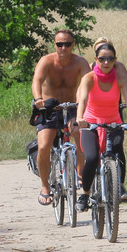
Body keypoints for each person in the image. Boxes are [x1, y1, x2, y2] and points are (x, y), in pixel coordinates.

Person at [74, 41, 127, 212]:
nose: (106, 62)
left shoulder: (121, 78)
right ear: (96, 59)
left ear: (115, 60)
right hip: (91, 122)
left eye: (110, 59)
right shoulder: (89, 78)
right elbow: (82, 100)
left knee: (118, 147)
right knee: (91, 157)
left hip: (113, 121)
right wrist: (80, 117)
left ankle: (120, 186)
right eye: (102, 59)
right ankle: (85, 194)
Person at [31, 29, 91, 205]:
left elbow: (89, 81)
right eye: (59, 44)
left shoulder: (80, 62)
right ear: (54, 45)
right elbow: (37, 81)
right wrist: (38, 99)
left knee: (80, 137)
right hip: (49, 108)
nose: (63, 47)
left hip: (73, 107)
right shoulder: (46, 61)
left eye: (68, 44)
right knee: (44, 146)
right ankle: (44, 187)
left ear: (73, 44)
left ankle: (80, 175)